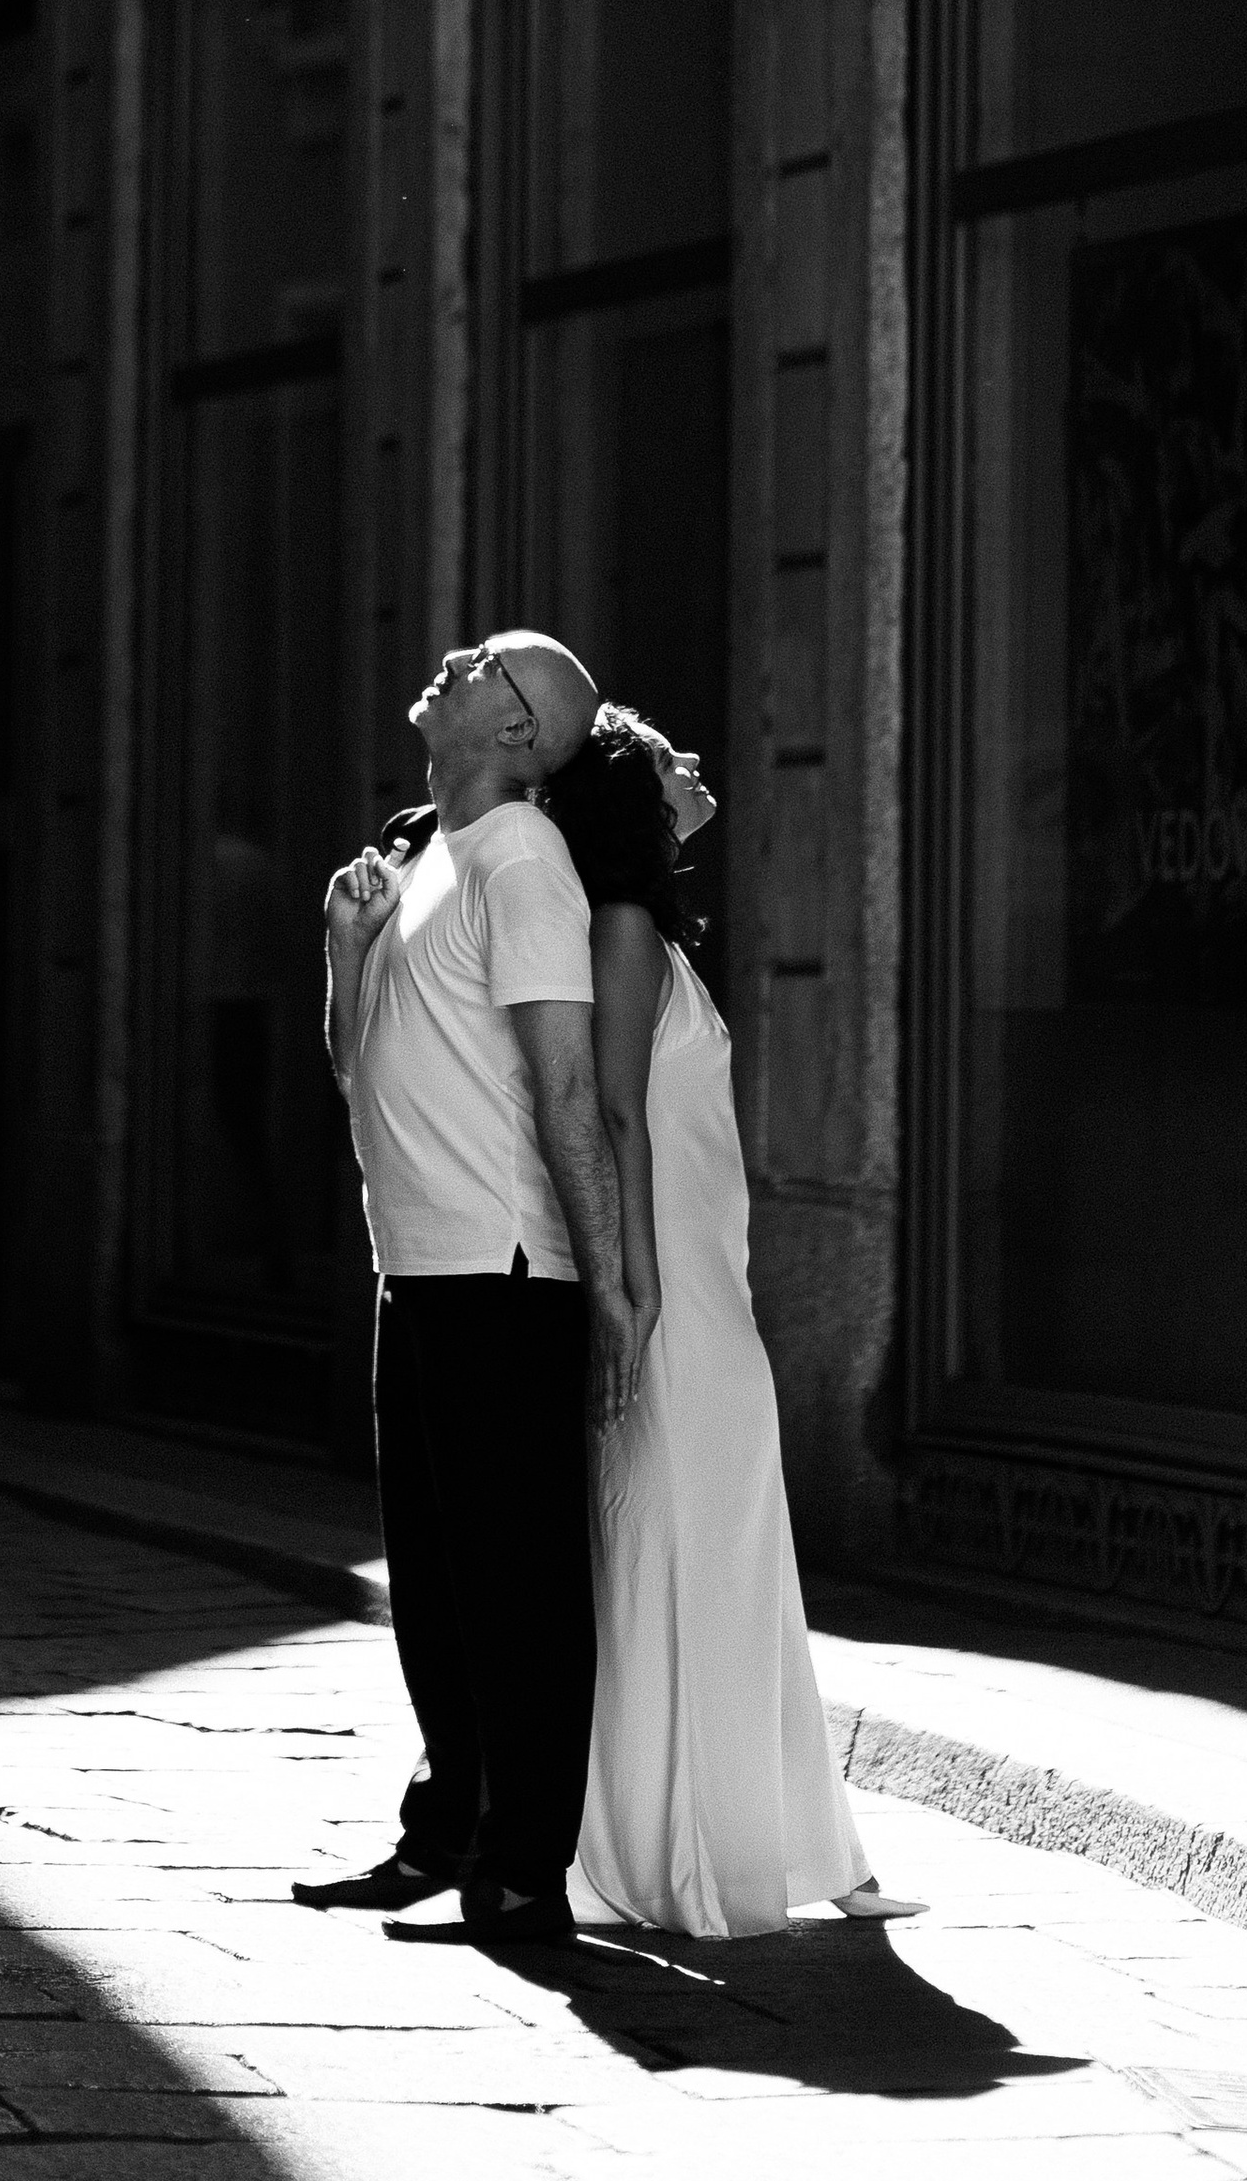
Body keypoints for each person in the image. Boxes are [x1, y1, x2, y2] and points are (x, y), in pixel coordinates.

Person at [544, 705, 917, 1938]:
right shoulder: (621, 925)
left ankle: (790, 1841)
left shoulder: (647, 929)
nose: (695, 764)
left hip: (703, 1281)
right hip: (672, 1292)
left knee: (732, 1547)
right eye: (667, 757)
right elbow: (611, 1113)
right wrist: (634, 1287)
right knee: (678, 1542)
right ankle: (667, 1850)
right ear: (634, 799)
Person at [296, 632, 636, 1951]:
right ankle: (443, 1838)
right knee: (437, 1586)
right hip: (418, 1263)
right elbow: (360, 1064)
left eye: (486, 661)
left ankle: (524, 1871)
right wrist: (347, 949)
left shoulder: (523, 861)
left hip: (503, 1269)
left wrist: (605, 1284)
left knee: (516, 1587)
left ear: (517, 731)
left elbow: (566, 1085)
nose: (451, 656)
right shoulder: (421, 850)